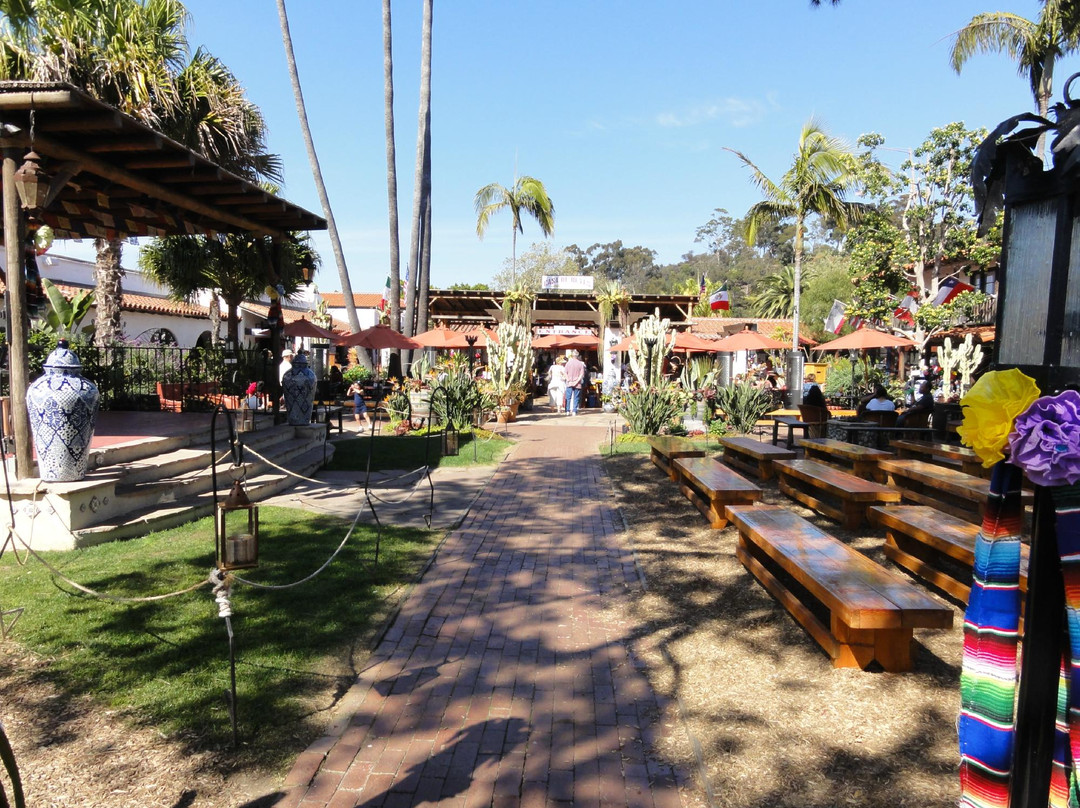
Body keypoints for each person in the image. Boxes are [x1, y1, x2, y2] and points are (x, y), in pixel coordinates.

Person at [563, 351, 587, 416]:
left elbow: (565, 372)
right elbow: (581, 374)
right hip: (577, 383)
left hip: (569, 382)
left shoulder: (568, 363)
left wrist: (568, 380)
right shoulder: (580, 364)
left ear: (572, 355)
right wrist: (577, 381)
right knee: (576, 397)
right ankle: (574, 410)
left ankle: (567, 410)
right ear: (578, 356)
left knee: (568, 397)